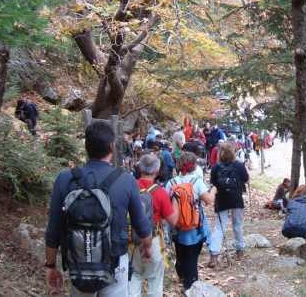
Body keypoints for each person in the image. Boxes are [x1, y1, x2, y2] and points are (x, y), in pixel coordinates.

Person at [44, 120, 153, 296]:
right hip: (115, 261)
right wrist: (147, 245)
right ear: (112, 147)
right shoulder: (126, 181)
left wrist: (50, 265)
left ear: (86, 147)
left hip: (79, 261)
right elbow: (141, 225)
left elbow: (53, 229)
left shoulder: (65, 179)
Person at [165, 152, 217, 292]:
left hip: (177, 227)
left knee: (181, 252)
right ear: (194, 166)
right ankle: (190, 286)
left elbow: (166, 206)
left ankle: (181, 272)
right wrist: (214, 189)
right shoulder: (196, 182)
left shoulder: (171, 183)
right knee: (192, 256)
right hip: (195, 227)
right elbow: (209, 201)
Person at [128, 154, 178, 297]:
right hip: (153, 240)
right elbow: (173, 221)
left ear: (139, 168)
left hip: (131, 240)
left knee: (133, 277)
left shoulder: (130, 187)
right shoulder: (160, 192)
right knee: (155, 281)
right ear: (157, 171)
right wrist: (175, 200)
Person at [208, 142, 249, 267]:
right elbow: (246, 179)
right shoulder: (238, 165)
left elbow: (213, 184)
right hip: (236, 198)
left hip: (221, 199)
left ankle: (214, 256)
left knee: (219, 226)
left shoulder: (216, 167)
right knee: (237, 224)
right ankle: (239, 251)